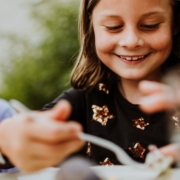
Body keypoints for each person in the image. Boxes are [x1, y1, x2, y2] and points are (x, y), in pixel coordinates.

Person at [0, 0, 180, 173]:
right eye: (113, 26)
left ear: (175, 23)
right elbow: (35, 130)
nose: (131, 41)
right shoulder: (87, 98)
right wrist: (8, 142)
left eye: (150, 25)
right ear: (91, 27)